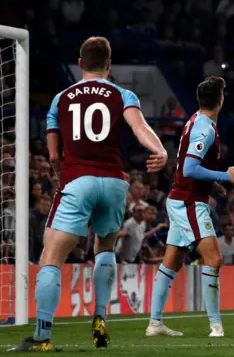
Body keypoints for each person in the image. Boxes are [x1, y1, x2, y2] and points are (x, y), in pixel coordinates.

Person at [11, 37, 168, 352]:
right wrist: (160, 150)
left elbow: (54, 156)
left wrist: (61, 177)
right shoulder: (123, 94)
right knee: (105, 247)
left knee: (51, 257)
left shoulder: (61, 99)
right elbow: (139, 128)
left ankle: (42, 337)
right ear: (109, 65)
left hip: (77, 180)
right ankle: (100, 317)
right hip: (113, 183)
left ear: (80, 63)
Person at [145, 77, 234, 339]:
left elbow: (188, 168)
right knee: (214, 259)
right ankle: (216, 327)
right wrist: (224, 177)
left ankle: (154, 323)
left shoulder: (195, 120)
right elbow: (189, 168)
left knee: (172, 262)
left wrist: (212, 185)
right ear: (220, 100)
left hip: (182, 198)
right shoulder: (205, 129)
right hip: (188, 202)